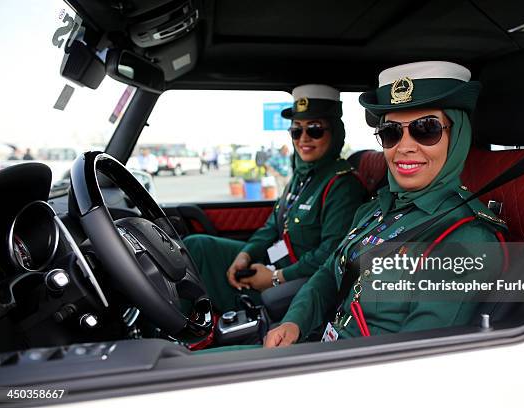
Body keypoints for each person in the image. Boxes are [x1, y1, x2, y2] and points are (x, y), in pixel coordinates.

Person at [265, 61, 507, 347]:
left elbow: (413, 359)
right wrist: (295, 321)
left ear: (457, 136)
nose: (404, 146)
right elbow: (329, 273)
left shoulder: (468, 238)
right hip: (320, 347)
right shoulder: (374, 210)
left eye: (426, 129)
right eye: (392, 131)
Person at [184, 84, 368, 313]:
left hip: (298, 279)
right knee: (197, 246)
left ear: (335, 133)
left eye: (315, 130)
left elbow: (330, 252)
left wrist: (275, 277)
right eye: (296, 130)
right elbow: (274, 225)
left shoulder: (342, 185)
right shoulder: (302, 176)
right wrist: (247, 254)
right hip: (275, 262)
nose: (303, 139)